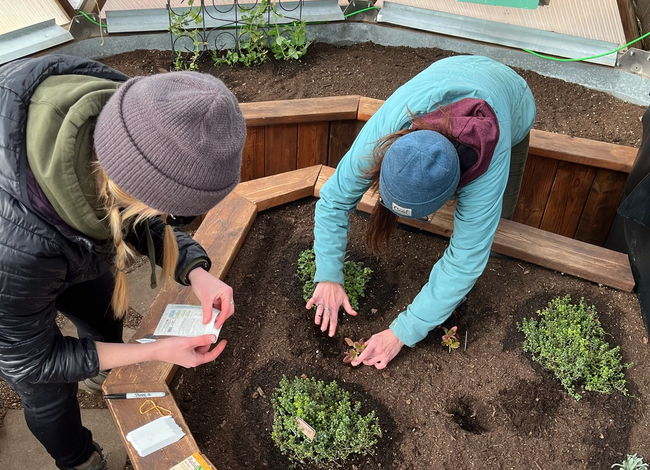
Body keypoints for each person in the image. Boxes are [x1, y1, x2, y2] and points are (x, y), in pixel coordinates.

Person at [0, 55, 247, 470]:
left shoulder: (131, 117)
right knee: (47, 392)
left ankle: (100, 373)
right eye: (171, 212)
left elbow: (137, 213)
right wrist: (155, 351)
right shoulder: (17, 249)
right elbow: (32, 359)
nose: (172, 222)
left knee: (101, 309)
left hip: (64, 241)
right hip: (17, 264)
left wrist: (196, 271)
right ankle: (78, 460)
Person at [307, 55, 536, 370]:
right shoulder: (386, 133)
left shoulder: (486, 172)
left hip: (511, 95)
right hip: (450, 70)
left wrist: (402, 332)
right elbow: (334, 199)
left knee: (495, 222)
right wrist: (329, 275)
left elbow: (465, 260)